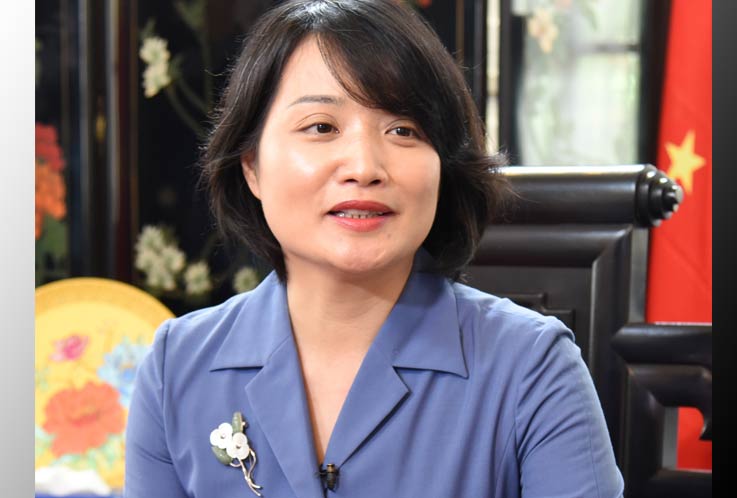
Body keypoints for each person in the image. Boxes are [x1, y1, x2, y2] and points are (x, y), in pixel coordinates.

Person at [125, 1, 625, 497]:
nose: (364, 167)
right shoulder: (178, 368)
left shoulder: (532, 368)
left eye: (403, 130)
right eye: (321, 127)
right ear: (251, 165)